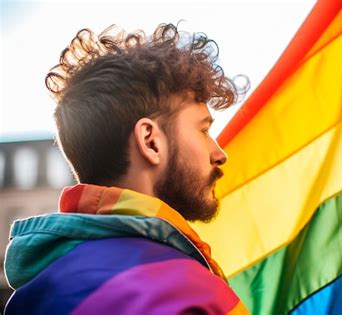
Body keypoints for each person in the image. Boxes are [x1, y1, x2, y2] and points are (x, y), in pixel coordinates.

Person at [3, 23, 249, 314]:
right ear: (150, 142)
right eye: (204, 130)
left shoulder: (32, 296)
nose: (219, 154)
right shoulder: (185, 294)